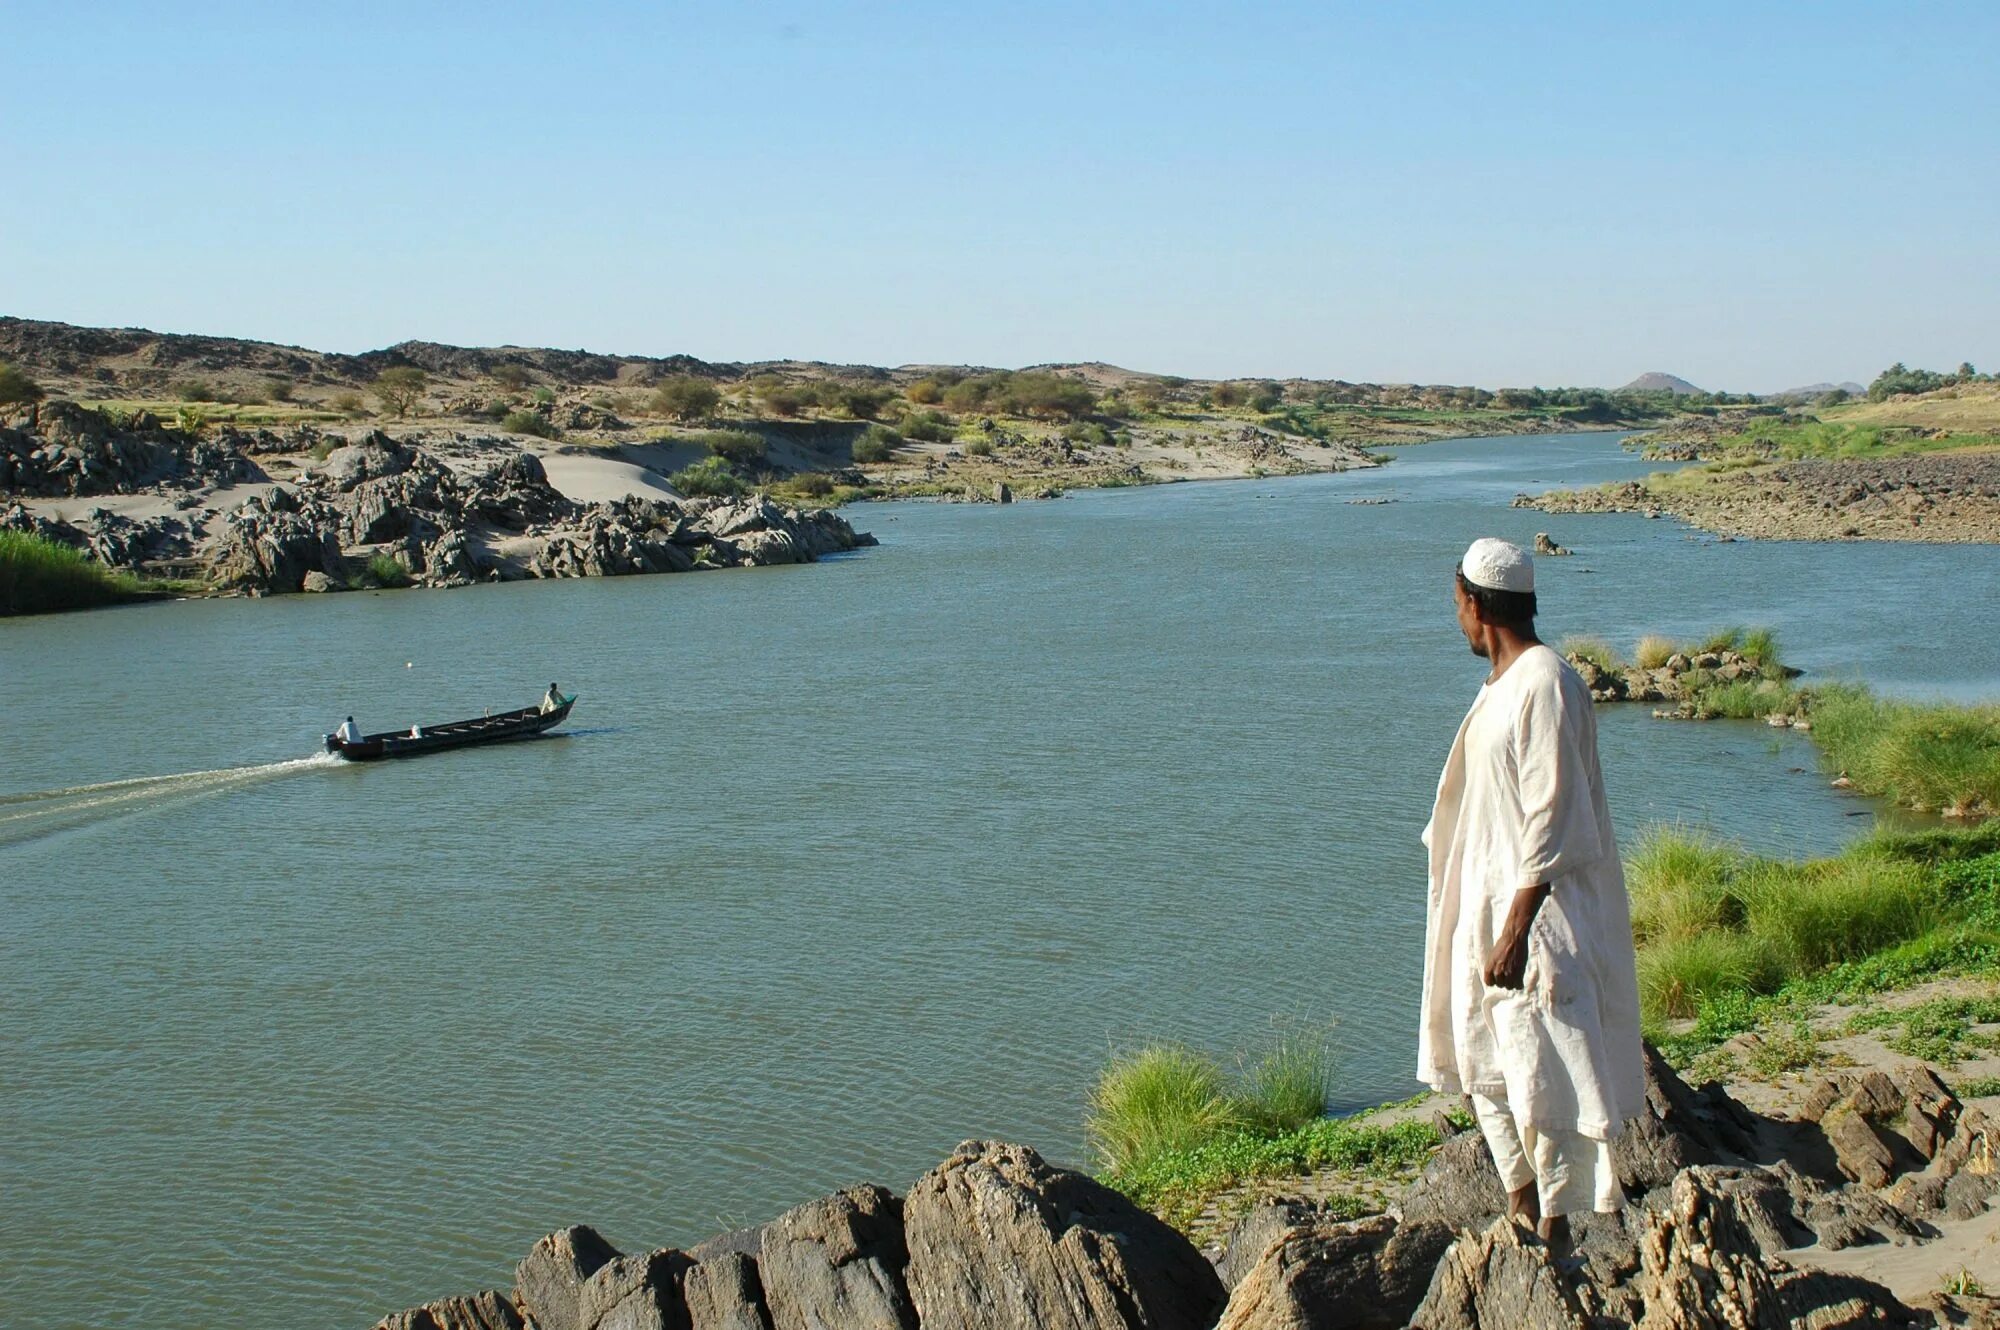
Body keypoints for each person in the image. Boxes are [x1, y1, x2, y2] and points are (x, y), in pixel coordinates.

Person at [1418, 537, 1645, 1246]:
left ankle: (1556, 1232)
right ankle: (1522, 1204)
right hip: (1487, 914)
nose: (1457, 620)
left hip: (1537, 922)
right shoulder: (1504, 684)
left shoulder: (1545, 681)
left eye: (1458, 606)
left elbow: (1552, 811)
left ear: (1477, 605)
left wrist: (1516, 930)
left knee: (1542, 1077)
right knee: (1488, 1072)